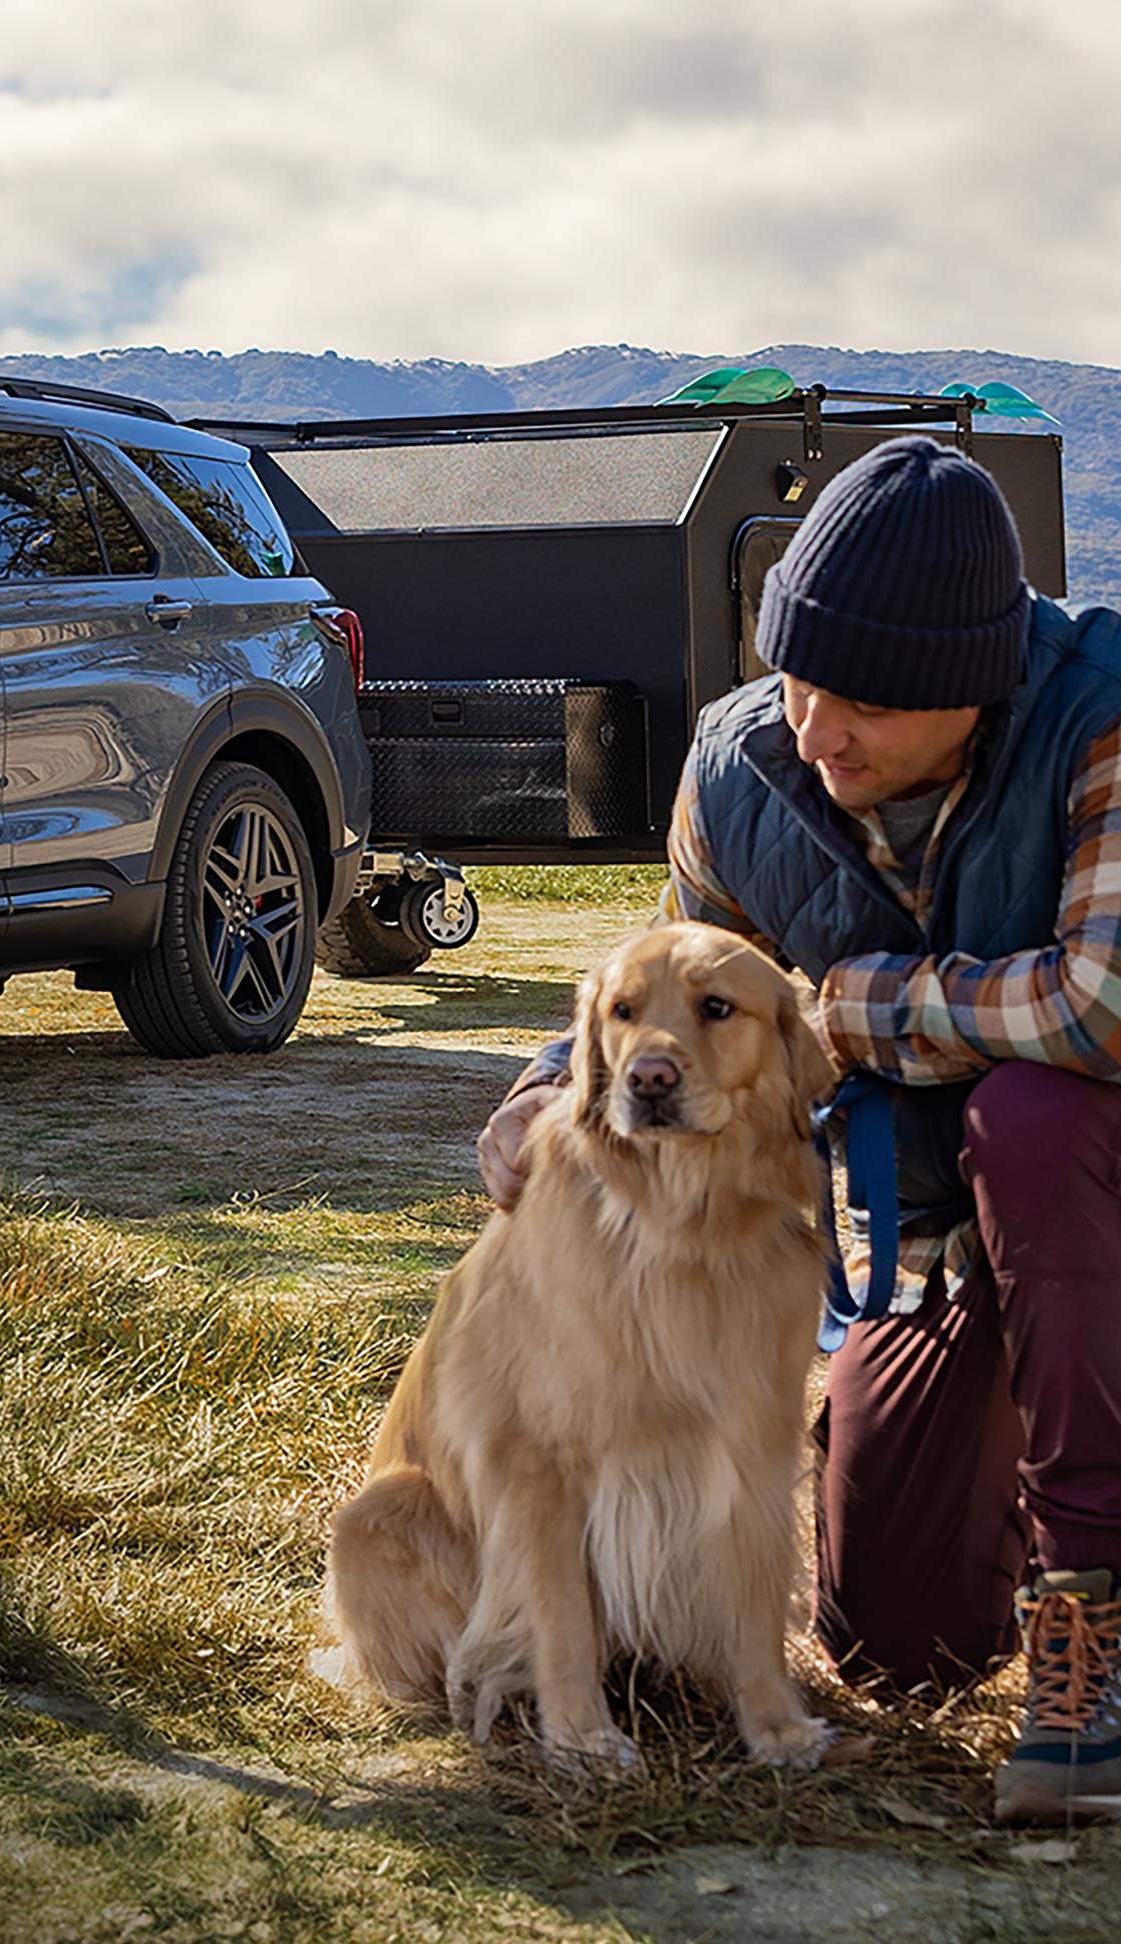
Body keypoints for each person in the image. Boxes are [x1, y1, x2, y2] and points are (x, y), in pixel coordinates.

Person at [476, 436, 1121, 1825]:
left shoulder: (1104, 716)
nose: (818, 729)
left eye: (865, 702)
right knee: (899, 1641)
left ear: (977, 685)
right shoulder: (743, 767)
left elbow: (1102, 1002)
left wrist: (844, 1013)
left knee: (1033, 1107)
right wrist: (548, 1085)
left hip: (1095, 1193)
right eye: (800, 679)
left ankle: (1092, 1601)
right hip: (940, 1236)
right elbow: (682, 982)